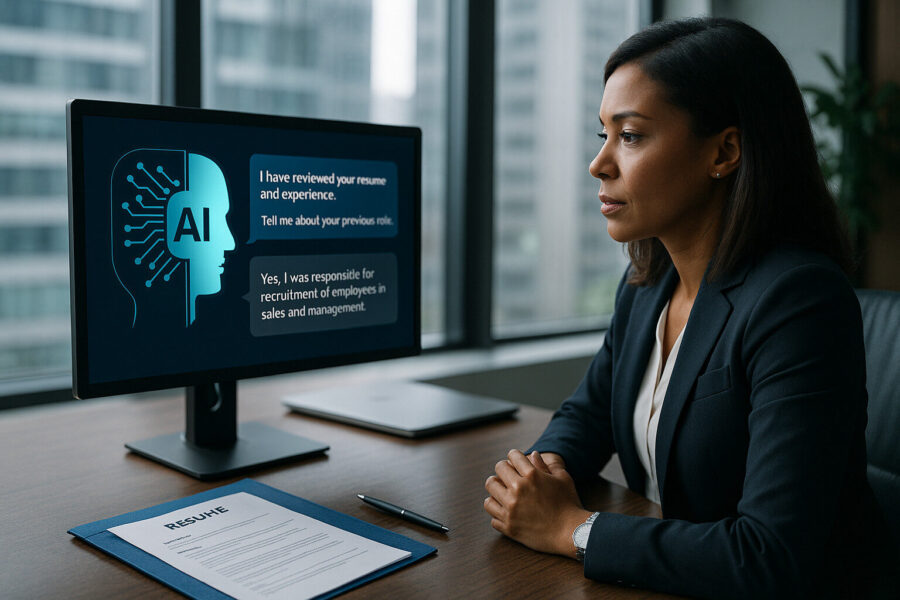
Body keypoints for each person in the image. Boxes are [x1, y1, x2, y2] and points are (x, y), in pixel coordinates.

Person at [483, 17, 895, 599]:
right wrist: (541, 474)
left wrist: (570, 529)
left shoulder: (798, 301)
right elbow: (590, 412)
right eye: (601, 134)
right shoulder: (647, 281)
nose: (600, 164)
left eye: (629, 136)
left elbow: (768, 556)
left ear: (725, 151)